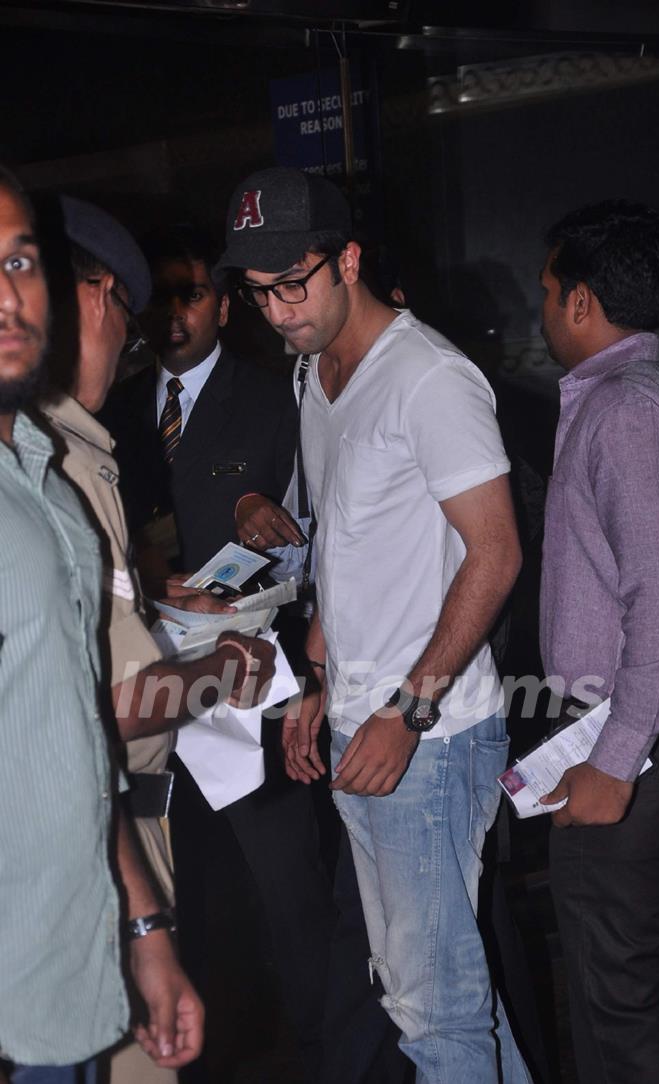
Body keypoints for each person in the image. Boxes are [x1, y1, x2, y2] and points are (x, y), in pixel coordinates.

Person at [217, 165, 531, 1084]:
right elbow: (343, 556)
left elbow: (498, 555)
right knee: (437, 996)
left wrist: (408, 710)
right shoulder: (316, 372)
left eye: (292, 284)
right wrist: (317, 678)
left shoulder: (428, 378)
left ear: (347, 258)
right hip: (362, 716)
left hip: (429, 735)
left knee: (432, 1014)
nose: (276, 311)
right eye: (257, 291)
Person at [36, 194, 276, 1084]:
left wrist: (152, 596)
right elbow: (111, 713)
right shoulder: (60, 462)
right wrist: (227, 668)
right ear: (92, 301)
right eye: (123, 315)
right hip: (98, 845)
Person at [101, 223, 335, 1080]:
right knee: (182, 895)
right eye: (157, 295)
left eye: (190, 294)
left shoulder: (277, 401)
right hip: (155, 686)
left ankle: (324, 1051)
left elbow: (324, 545)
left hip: (253, 685)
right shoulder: (113, 407)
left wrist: (258, 531)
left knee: (289, 893)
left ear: (225, 304)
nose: (171, 313)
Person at [0, 167, 211, 1083]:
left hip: (76, 966)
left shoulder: (39, 471)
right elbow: (123, 706)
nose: (7, 294)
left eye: (17, 259)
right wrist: (226, 671)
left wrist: (144, 925)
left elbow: (73, 734)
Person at [537, 198, 659, 1084]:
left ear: (580, 302)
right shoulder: (658, 399)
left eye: (546, 290)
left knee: (623, 1006)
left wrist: (614, 760)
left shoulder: (626, 413)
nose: (540, 311)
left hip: (642, 743)